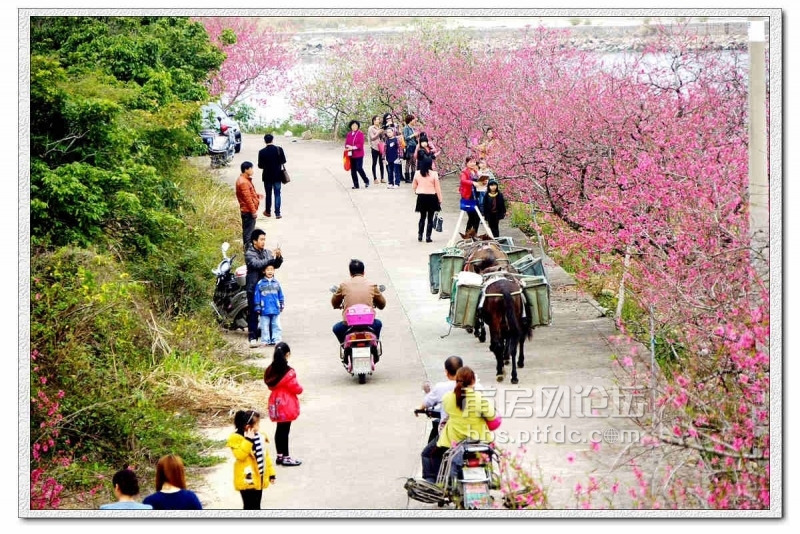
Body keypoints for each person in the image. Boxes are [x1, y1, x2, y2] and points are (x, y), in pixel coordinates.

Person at [421, 367, 495, 484]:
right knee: (490, 453)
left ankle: (433, 482)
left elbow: (445, 411)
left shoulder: (447, 397)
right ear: (473, 381)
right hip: (479, 440)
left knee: (427, 454)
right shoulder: (480, 398)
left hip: (453, 440)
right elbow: (492, 417)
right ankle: (491, 477)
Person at [263, 342, 303, 467]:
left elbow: (270, 385)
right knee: (285, 430)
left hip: (275, 400)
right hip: (286, 402)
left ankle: (279, 455)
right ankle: (286, 457)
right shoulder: (288, 372)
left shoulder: (270, 370)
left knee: (279, 429)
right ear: (287, 355)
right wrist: (300, 389)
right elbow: (296, 388)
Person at [227, 409, 276, 510]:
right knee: (249, 506)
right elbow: (240, 455)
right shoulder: (236, 438)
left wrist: (271, 473)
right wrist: (248, 440)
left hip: (259, 477)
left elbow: (265, 456)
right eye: (257, 424)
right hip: (247, 479)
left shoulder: (259, 437)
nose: (259, 427)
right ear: (248, 427)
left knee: (257, 506)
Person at [331, 259, 386, 344]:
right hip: (369, 323)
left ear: (350, 273)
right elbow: (382, 304)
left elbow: (334, 303)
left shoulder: (344, 285)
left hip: (349, 324)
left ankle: (345, 346)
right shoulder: (372, 285)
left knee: (336, 328)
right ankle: (374, 344)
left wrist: (337, 305)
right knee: (378, 324)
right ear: (363, 272)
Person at [245, 229, 284, 348]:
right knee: (253, 313)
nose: (263, 242)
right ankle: (252, 337)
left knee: (269, 312)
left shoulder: (266, 252)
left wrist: (278, 257)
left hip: (268, 289)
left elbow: (274, 266)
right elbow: (257, 264)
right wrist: (270, 258)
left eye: (264, 239)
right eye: (261, 239)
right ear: (254, 241)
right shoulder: (249, 254)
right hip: (254, 288)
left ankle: (270, 337)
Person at [417, 356, 464, 445]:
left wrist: (419, 408)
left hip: (450, 434)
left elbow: (426, 402)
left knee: (426, 454)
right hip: (472, 432)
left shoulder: (441, 388)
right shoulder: (474, 386)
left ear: (446, 372)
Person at [411, 157, 443, 243]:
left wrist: (417, 192)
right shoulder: (434, 174)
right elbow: (437, 188)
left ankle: (420, 235)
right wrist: (440, 199)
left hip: (421, 197)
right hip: (432, 197)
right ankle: (428, 237)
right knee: (430, 218)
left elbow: (413, 186)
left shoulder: (417, 173)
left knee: (422, 217)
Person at [257, 134, 287, 219]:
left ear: (264, 141)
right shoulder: (279, 149)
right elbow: (283, 161)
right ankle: (277, 213)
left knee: (268, 194)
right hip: (277, 175)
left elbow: (260, 166)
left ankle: (268, 212)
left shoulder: (261, 152)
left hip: (267, 176)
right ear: (272, 140)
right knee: (277, 194)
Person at [254, 264, 285, 347]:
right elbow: (257, 295)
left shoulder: (276, 283)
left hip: (275, 308)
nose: (270, 271)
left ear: (274, 271)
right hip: (264, 309)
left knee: (276, 325)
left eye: (271, 269)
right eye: (268, 270)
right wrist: (257, 306)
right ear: (264, 271)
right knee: (264, 326)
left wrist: (281, 304)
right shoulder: (260, 283)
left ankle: (277, 340)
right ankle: (265, 340)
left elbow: (280, 295)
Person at [235, 161, 260, 248]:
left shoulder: (243, 180)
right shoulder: (243, 182)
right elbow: (247, 199)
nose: (252, 171)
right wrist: (253, 211)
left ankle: (248, 250)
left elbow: (248, 194)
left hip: (246, 210)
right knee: (249, 233)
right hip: (248, 211)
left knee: (248, 231)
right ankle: (248, 252)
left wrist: (257, 196)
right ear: (246, 170)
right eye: (251, 168)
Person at [345, 120, 370, 189]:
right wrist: (348, 147)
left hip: (359, 154)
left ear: (358, 126)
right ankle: (356, 185)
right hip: (351, 155)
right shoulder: (349, 134)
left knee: (359, 168)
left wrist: (352, 147)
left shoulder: (360, 134)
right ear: (351, 126)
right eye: (353, 125)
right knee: (353, 170)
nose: (354, 127)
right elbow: (346, 143)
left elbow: (360, 145)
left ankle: (366, 180)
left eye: (356, 125)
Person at [459, 157, 481, 235]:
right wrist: (472, 182)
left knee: (478, 217)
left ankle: (474, 234)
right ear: (467, 163)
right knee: (472, 217)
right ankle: (467, 234)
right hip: (468, 197)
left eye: (474, 161)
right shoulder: (464, 172)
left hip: (475, 197)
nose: (472, 163)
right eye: (470, 162)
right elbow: (463, 180)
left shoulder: (475, 172)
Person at [367, 115, 386, 184]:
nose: (378, 120)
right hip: (374, 147)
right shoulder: (371, 128)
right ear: (374, 120)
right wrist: (378, 132)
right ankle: (375, 178)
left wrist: (383, 132)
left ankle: (382, 178)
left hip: (381, 147)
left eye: (379, 119)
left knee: (381, 162)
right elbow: (372, 138)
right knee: (374, 163)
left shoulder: (380, 128)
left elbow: (383, 138)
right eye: (377, 119)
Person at [402, 114, 420, 183]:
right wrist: (413, 135)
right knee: (408, 162)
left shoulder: (412, 128)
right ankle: (407, 178)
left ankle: (413, 178)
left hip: (414, 146)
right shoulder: (406, 128)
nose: (414, 121)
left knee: (414, 162)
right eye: (413, 119)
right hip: (409, 146)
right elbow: (406, 138)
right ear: (410, 120)